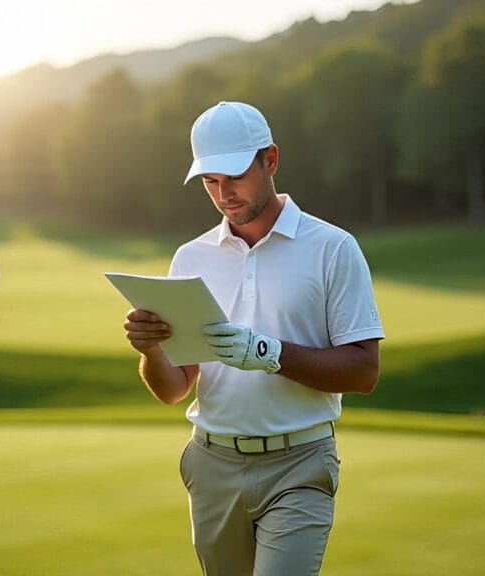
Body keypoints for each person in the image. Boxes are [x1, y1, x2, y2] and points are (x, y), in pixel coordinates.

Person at [123, 101, 384, 575]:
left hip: (299, 466)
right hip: (211, 462)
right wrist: (150, 350)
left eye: (234, 176)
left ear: (271, 160)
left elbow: (364, 372)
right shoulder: (190, 257)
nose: (224, 194)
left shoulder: (333, 248)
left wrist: (266, 353)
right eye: (210, 182)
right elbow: (173, 388)